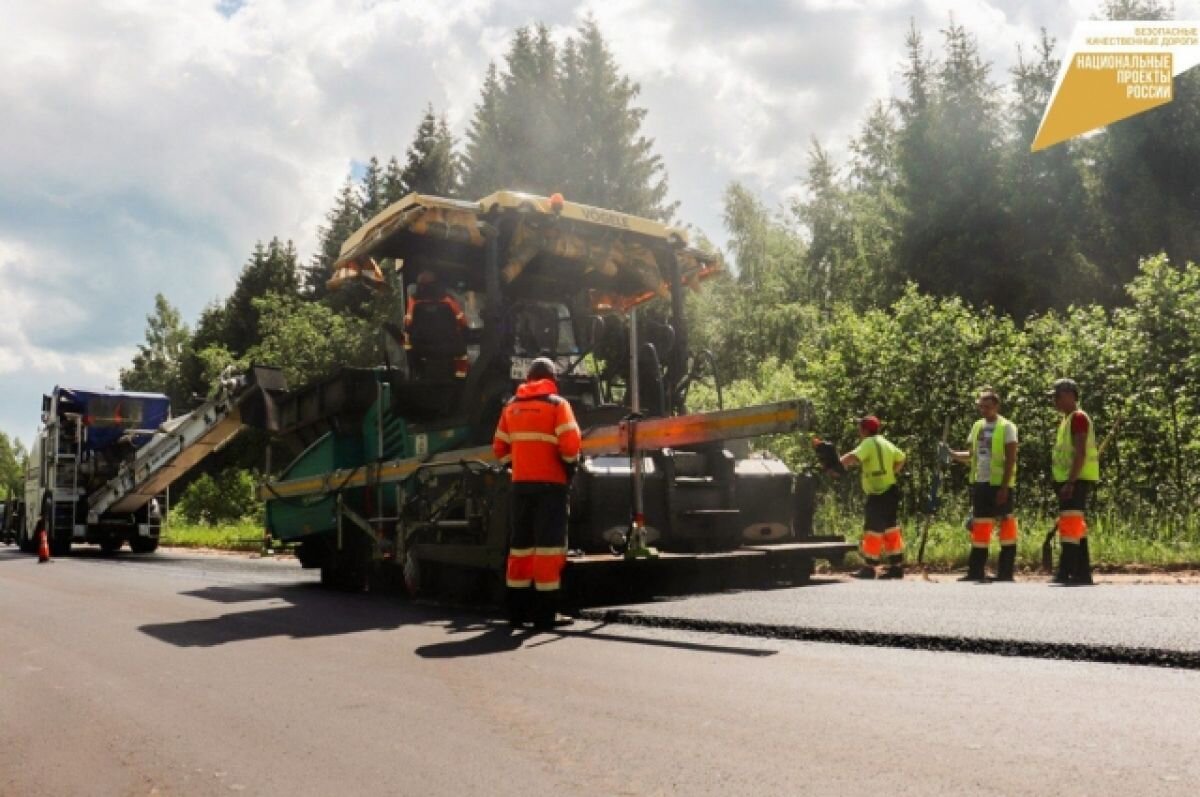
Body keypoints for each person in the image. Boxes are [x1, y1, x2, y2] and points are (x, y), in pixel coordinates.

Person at [492, 357, 582, 628]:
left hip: (521, 487)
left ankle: (517, 613)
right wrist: (569, 469)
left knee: (520, 549)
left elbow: (499, 448)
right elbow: (570, 444)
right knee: (548, 550)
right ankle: (545, 616)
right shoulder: (558, 405)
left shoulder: (511, 407)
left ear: (528, 379)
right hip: (551, 487)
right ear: (552, 378)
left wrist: (517, 467)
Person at [946, 388, 1019, 582]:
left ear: (996, 406)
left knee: (1005, 528)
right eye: (981, 407)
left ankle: (1005, 572)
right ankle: (975, 571)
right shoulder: (977, 426)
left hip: (1000, 485)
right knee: (980, 528)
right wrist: (951, 453)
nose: (983, 410)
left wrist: (1004, 487)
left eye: (987, 406)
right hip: (981, 483)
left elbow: (1011, 459)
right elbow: (971, 456)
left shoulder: (1007, 427)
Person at [837, 415, 907, 579]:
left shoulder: (868, 443)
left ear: (865, 430)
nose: (858, 431)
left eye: (860, 428)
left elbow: (852, 457)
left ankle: (869, 568)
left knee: (872, 530)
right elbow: (902, 457)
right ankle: (896, 567)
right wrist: (893, 471)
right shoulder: (885, 442)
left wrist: (835, 466)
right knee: (891, 529)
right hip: (891, 490)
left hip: (877, 493)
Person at [1049, 378, 1098, 585]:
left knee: (1069, 527)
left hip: (1074, 481)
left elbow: (1080, 452)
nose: (1054, 400)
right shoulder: (1066, 420)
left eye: (1057, 396)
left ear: (1070, 395)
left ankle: (1066, 572)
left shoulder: (1078, 418)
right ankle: (1082, 572)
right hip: (1069, 480)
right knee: (1076, 527)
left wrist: (1070, 482)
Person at [404, 270, 469, 378]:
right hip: (448, 347)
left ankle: (416, 375)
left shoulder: (414, 301)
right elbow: (462, 321)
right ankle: (461, 379)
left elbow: (408, 324)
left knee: (407, 344)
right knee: (462, 350)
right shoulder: (448, 299)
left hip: (422, 348)